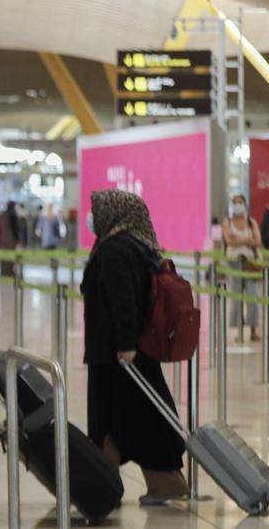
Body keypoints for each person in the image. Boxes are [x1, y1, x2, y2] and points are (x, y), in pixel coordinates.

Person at [81, 189, 188, 504]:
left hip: (118, 353)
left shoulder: (115, 249)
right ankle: (106, 486)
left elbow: (123, 301)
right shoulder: (135, 246)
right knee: (121, 420)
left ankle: (139, 485)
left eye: (97, 210)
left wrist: (125, 345)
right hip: (126, 350)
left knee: (121, 421)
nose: (93, 217)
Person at [223, 194, 262, 341]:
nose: (238, 205)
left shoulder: (251, 222)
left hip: (250, 263)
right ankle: (239, 331)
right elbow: (229, 240)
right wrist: (248, 240)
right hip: (234, 263)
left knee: (253, 297)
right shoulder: (227, 222)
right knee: (236, 299)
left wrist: (238, 239)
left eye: (240, 202)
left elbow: (258, 241)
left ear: (245, 205)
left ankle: (252, 330)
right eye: (235, 202)